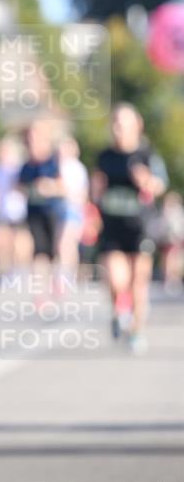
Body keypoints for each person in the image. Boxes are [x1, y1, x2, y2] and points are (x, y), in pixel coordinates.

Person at [92, 103, 167, 354]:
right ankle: (120, 310)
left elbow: (160, 185)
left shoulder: (147, 155)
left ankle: (136, 331)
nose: (118, 129)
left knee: (138, 283)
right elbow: (96, 188)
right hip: (112, 226)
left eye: (123, 124)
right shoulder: (105, 156)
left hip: (140, 227)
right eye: (115, 123)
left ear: (137, 126)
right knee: (116, 279)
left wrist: (146, 180)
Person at [18, 121, 65, 296]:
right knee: (38, 251)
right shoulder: (26, 166)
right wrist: (29, 189)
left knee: (54, 250)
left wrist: (49, 186)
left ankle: (56, 279)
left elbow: (63, 187)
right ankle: (40, 290)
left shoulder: (53, 162)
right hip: (33, 213)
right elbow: (19, 187)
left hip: (53, 212)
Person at [0, 136, 30, 279]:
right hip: (0, 212)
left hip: (17, 212)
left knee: (19, 244)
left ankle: (20, 271)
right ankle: (3, 272)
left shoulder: (19, 169)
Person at [57, 136, 89, 279]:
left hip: (73, 210)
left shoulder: (75, 167)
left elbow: (80, 192)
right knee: (65, 243)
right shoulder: (61, 166)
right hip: (63, 210)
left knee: (67, 242)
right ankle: (67, 273)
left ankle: (68, 274)